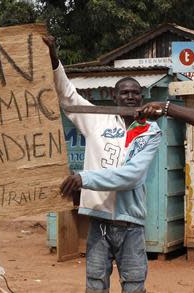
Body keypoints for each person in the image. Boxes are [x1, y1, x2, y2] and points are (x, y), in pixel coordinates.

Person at [43, 36, 161, 293]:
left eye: (135, 93)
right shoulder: (98, 120)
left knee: (133, 287)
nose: (130, 96)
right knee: (95, 286)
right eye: (124, 92)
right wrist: (54, 58)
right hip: (99, 224)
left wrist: (84, 179)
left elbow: (132, 175)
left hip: (132, 227)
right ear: (114, 96)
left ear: (142, 97)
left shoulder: (149, 130)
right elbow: (68, 96)